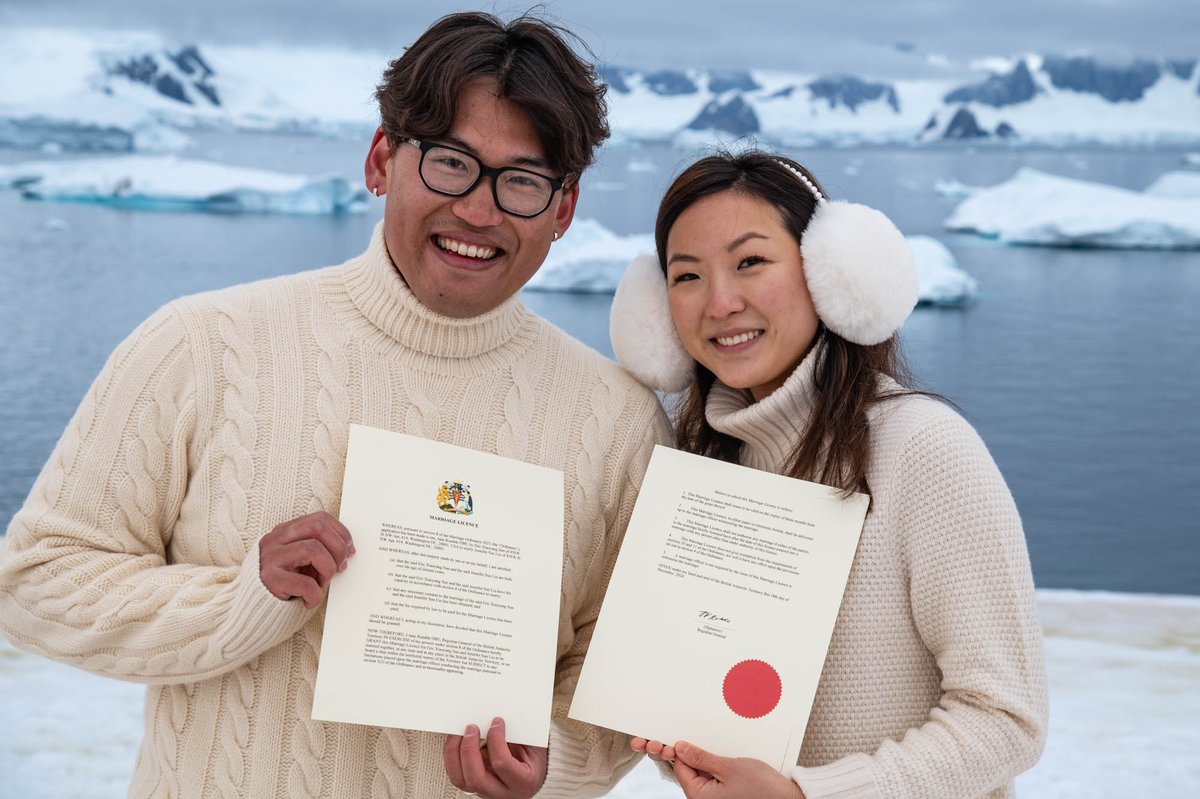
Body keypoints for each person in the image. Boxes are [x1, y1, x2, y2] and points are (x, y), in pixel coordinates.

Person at [0, 12, 670, 799]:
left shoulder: (618, 422)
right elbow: (36, 582)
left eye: (522, 181)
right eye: (451, 162)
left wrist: (552, 756)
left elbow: (623, 677)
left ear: (562, 209)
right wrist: (243, 596)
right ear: (382, 158)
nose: (481, 211)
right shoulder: (203, 345)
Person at [608, 150, 1048, 798]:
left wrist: (809, 794)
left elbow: (1008, 718)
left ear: (831, 272)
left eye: (750, 261)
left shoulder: (925, 450)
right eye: (687, 275)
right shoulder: (698, 466)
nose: (721, 301)